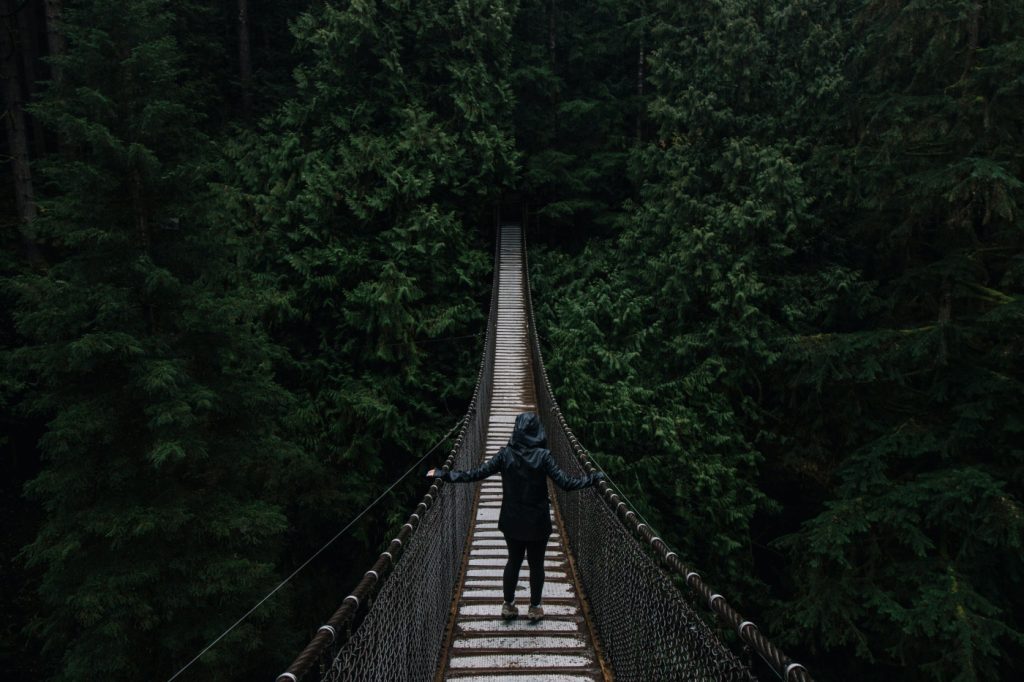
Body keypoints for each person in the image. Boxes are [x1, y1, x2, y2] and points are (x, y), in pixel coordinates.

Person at [427, 412, 604, 622]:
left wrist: (444, 474)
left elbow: (476, 473)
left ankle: (508, 605)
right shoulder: (544, 456)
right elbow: (566, 483)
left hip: (512, 521)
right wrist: (593, 478)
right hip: (538, 522)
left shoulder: (505, 454)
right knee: (537, 564)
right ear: (537, 431)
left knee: (514, 560)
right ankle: (535, 607)